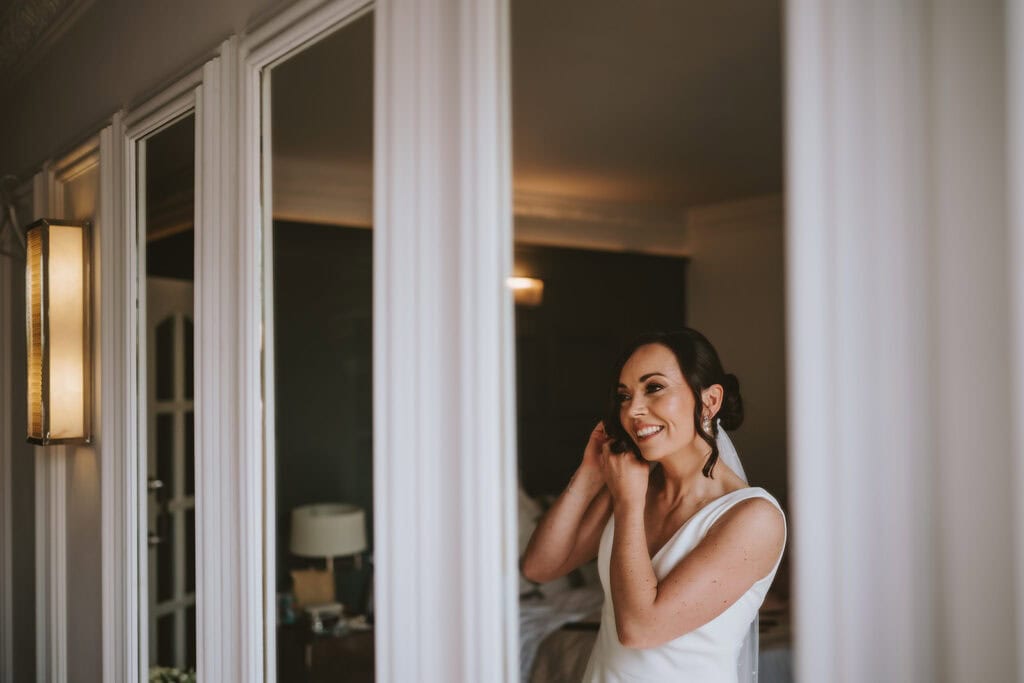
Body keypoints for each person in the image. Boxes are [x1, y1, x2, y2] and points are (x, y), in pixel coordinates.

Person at [521, 329, 786, 683]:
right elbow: (540, 567)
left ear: (710, 401)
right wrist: (588, 475)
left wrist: (629, 503)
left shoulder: (754, 518)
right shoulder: (630, 484)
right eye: (624, 396)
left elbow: (640, 630)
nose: (633, 410)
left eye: (654, 387)